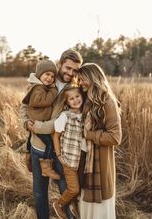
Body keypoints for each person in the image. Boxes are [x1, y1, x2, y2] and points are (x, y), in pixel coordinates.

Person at [20, 49, 83, 219]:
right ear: (60, 64)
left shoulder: (75, 91)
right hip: (37, 147)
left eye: (75, 70)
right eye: (68, 68)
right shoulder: (43, 81)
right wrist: (25, 122)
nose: (70, 73)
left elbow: (58, 123)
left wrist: (37, 127)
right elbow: (25, 105)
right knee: (40, 192)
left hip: (61, 151)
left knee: (67, 190)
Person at [77, 63, 122, 219]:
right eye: (79, 79)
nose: (80, 83)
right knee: (85, 205)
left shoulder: (108, 102)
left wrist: (90, 135)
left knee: (100, 209)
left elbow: (115, 137)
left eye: (82, 79)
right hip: (84, 162)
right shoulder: (84, 100)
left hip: (100, 165)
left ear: (93, 78)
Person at [52, 85, 90, 219]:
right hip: (68, 159)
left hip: (83, 158)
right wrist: (58, 155)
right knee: (74, 189)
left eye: (77, 96)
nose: (75, 100)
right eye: (71, 99)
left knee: (81, 189)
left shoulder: (86, 115)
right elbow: (55, 136)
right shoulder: (65, 116)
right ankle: (58, 203)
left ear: (82, 96)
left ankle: (74, 207)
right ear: (67, 102)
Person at [22, 59, 60, 180]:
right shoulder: (38, 88)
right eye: (47, 74)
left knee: (29, 140)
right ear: (39, 74)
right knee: (48, 143)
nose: (50, 78)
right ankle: (46, 168)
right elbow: (43, 101)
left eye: (53, 76)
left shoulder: (39, 86)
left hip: (36, 123)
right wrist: (54, 90)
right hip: (37, 123)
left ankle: (28, 158)